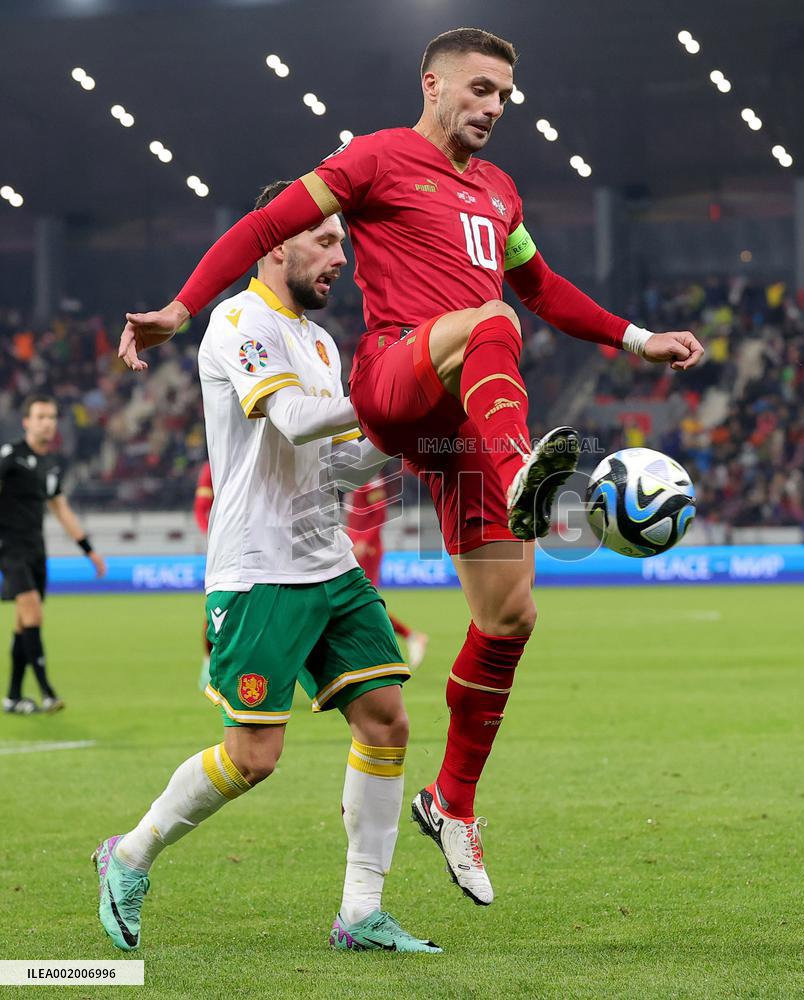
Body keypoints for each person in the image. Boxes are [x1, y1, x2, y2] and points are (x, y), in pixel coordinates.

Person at [116, 27, 704, 906]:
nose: (493, 107)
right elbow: (267, 225)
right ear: (432, 84)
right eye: (479, 88)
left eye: (504, 95)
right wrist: (181, 305)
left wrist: (635, 338)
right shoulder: (374, 159)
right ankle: (522, 471)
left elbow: (543, 287)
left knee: (509, 615)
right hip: (396, 371)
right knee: (492, 320)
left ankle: (451, 802)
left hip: (460, 420)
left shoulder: (498, 192)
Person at [93, 184, 439, 955]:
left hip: (329, 562)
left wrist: (405, 432)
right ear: (277, 241)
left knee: (385, 719)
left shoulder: (320, 343)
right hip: (259, 571)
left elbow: (340, 464)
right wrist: (390, 394)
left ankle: (360, 912)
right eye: (325, 241)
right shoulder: (237, 323)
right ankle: (130, 854)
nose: (341, 257)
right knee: (255, 757)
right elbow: (292, 418)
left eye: (342, 242)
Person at [1, 394, 106, 714]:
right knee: (33, 615)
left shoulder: (51, 464)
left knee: (23, 624)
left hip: (36, 549)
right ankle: (47, 692)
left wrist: (88, 550)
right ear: (26, 422)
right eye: (40, 417)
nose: (47, 423)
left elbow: (60, 508)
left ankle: (13, 697)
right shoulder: (11, 456)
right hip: (10, 548)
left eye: (51, 417)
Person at [345, 472, 429, 670]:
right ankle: (407, 637)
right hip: (353, 546)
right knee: (356, 600)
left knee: (362, 600)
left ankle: (408, 637)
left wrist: (365, 541)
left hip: (368, 550)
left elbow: (380, 514)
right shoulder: (352, 478)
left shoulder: (370, 478)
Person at [193, 460, 213, 690]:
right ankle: (208, 662)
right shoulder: (213, 466)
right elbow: (201, 508)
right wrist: (212, 536)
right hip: (227, 550)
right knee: (216, 608)